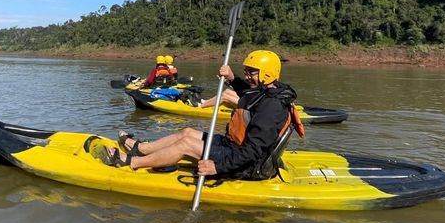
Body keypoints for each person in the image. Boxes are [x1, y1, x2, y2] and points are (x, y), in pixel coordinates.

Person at [105, 50, 302, 180]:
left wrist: (218, 167)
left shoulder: (272, 107)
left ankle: (132, 162)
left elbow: (254, 151)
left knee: (186, 145)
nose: (248, 76)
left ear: (267, 73)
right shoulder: (269, 91)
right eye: (246, 72)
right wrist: (233, 79)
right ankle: (144, 149)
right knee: (187, 132)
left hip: (248, 165)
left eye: (252, 72)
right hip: (233, 146)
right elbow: (249, 96)